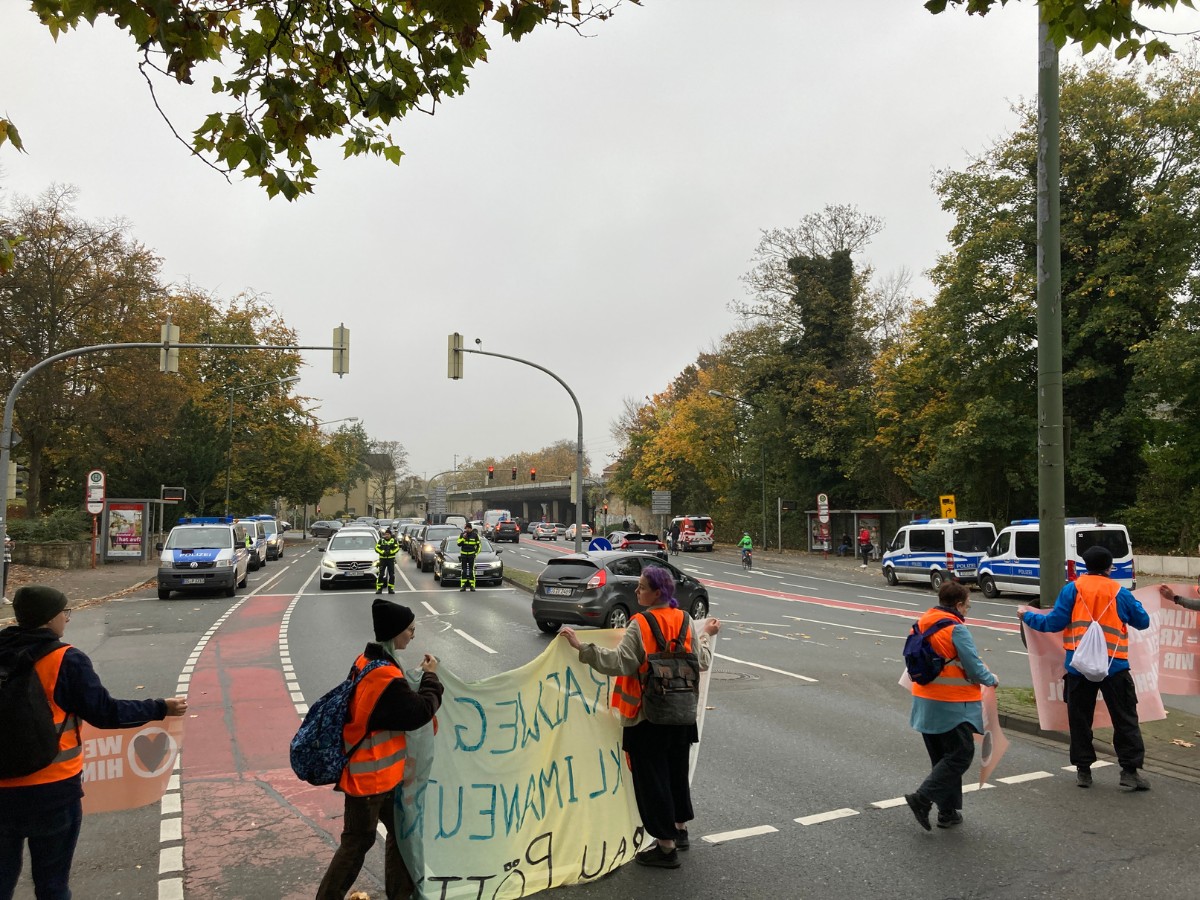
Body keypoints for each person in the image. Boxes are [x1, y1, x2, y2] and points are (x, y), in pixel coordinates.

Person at [0, 585, 188, 899]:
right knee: (52, 884)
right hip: (53, 788)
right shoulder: (65, 659)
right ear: (50, 619)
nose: (67, 619)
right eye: (65, 612)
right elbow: (106, 713)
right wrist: (160, 707)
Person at [559, 566, 721, 870]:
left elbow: (619, 663)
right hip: (681, 714)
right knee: (675, 773)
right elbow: (700, 661)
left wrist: (583, 648)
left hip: (646, 716)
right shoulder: (685, 620)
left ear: (657, 592)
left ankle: (665, 847)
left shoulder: (640, 624)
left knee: (652, 781)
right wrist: (707, 636)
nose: (636, 592)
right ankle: (680, 830)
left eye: (642, 587)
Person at [317, 599, 442, 900]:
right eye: (411, 629)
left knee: (400, 835)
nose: (413, 634)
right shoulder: (385, 677)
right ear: (396, 632)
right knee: (357, 843)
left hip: (383, 775)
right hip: (369, 779)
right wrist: (431, 677)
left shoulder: (367, 661)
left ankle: (400, 894)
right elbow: (420, 712)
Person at [1020, 545, 1151, 790]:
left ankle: (1084, 771)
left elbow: (1053, 623)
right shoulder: (1119, 592)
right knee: (1125, 719)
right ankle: (1129, 771)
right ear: (1109, 567)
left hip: (1078, 667)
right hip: (1115, 667)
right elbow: (1143, 622)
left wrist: (1026, 615)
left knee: (1079, 719)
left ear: (1085, 567)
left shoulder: (1072, 589)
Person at [904, 581, 999, 831]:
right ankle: (922, 799)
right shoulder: (956, 629)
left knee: (941, 760)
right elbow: (974, 666)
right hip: (952, 704)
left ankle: (947, 812)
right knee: (960, 754)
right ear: (958, 605)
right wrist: (992, 680)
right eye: (968, 605)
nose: (968, 609)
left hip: (925, 701)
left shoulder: (924, 621)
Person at [456, 523, 481, 592]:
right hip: (463, 555)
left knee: (471, 571)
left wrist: (475, 554)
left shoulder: (475, 535)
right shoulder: (462, 535)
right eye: (466, 528)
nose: (467, 529)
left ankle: (472, 585)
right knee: (464, 571)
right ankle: (463, 586)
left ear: (471, 528)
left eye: (468, 528)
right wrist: (463, 538)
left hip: (471, 555)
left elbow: (479, 546)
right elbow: (458, 544)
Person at [376, 527, 400, 595]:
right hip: (382, 559)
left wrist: (391, 552)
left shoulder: (393, 540)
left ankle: (391, 589)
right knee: (381, 574)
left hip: (390, 559)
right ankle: (379, 589)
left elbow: (397, 548)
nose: (386, 535)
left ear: (390, 535)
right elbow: (376, 548)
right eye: (385, 534)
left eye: (388, 534)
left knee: (391, 575)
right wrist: (382, 552)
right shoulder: (381, 540)